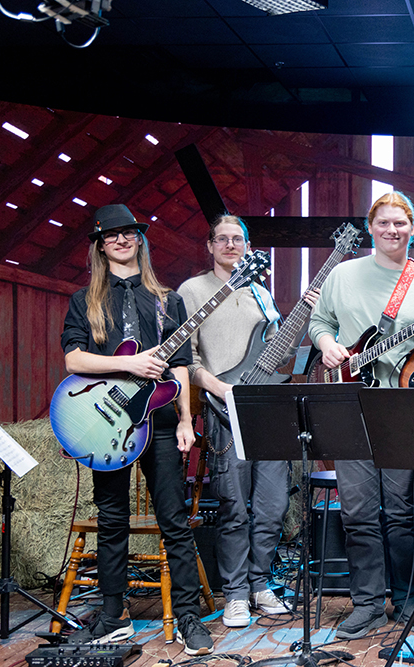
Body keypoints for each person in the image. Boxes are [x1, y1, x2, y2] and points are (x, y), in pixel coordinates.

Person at [60, 204, 214, 655]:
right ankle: (113, 616)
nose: (122, 239)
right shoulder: (84, 300)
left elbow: (181, 365)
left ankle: (187, 617)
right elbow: (73, 359)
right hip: (106, 424)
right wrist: (127, 364)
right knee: (112, 520)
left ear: (140, 241)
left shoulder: (168, 300)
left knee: (174, 520)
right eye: (112, 235)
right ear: (100, 245)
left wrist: (185, 419)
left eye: (129, 232)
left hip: (160, 422)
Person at [308, 191, 414, 640]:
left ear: (413, 228)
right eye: (383, 223)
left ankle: (406, 597)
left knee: (400, 511)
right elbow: (320, 323)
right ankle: (366, 604)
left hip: (400, 407)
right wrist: (327, 345)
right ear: (370, 228)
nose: (391, 230)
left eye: (400, 223)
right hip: (349, 403)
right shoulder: (343, 275)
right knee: (358, 511)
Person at [178, 214, 292, 629]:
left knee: (273, 505)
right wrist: (220, 389)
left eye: (238, 239)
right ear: (210, 246)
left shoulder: (261, 292)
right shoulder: (192, 291)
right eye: (222, 239)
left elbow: (276, 353)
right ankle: (237, 593)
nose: (231, 245)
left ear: (247, 246)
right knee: (233, 507)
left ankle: (260, 584)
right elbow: (186, 358)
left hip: (267, 409)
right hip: (224, 409)